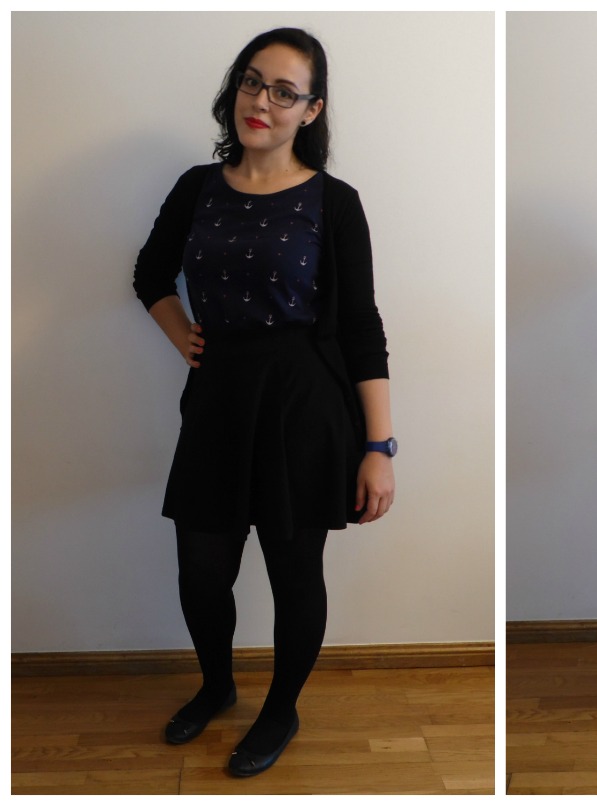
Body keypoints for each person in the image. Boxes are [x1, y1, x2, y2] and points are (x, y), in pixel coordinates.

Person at [133, 28, 396, 777]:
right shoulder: (197, 186)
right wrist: (183, 336)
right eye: (253, 81)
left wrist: (379, 448)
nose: (262, 101)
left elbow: (362, 327)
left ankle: (281, 707)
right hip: (217, 399)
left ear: (311, 110)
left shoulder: (334, 202)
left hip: (303, 405)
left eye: (285, 91)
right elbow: (150, 273)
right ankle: (217, 686)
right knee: (201, 568)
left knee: (293, 570)